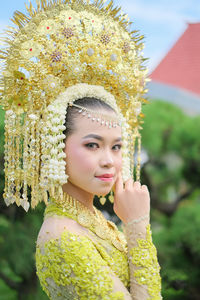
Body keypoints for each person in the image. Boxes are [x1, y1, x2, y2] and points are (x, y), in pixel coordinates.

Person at [0, 0, 162, 299]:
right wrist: (138, 226)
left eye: (116, 147)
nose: (109, 161)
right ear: (56, 146)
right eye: (92, 145)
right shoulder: (63, 235)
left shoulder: (93, 219)